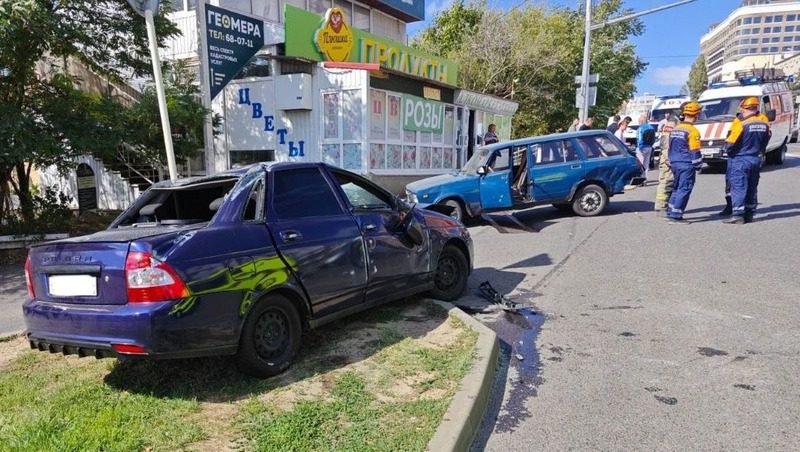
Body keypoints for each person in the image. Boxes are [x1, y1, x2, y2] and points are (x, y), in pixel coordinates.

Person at [721, 97, 770, 224]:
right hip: (755, 158)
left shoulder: (741, 124)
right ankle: (750, 213)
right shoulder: (764, 123)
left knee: (739, 186)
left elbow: (730, 144)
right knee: (752, 187)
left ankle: (737, 215)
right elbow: (766, 140)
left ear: (743, 108)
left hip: (740, 159)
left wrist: (727, 150)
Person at [665, 101, 703, 224]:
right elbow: (694, 151)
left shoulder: (676, 129)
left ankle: (671, 211)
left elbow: (670, 146)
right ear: (696, 115)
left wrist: (670, 160)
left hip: (674, 163)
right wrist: (698, 165)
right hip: (686, 163)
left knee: (676, 188)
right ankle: (676, 215)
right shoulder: (693, 131)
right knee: (684, 188)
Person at [654, 113, 679, 214]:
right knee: (666, 181)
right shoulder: (671, 125)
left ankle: (664, 204)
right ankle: (661, 205)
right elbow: (665, 144)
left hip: (669, 157)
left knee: (668, 181)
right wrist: (669, 158)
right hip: (667, 158)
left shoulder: (671, 124)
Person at [636, 114, 656, 185]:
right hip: (649, 147)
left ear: (641, 121)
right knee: (646, 164)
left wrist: (639, 147)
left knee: (640, 164)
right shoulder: (651, 127)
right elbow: (654, 138)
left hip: (642, 148)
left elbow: (639, 138)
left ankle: (641, 179)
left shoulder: (640, 128)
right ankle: (645, 180)